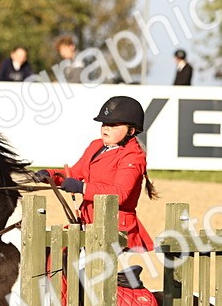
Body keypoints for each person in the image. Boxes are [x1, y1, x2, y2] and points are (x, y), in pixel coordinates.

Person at [35, 95, 157, 251]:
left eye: (113, 125)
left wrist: (83, 188)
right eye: (104, 124)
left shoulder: (134, 155)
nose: (106, 128)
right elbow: (76, 172)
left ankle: (124, 275)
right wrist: (50, 175)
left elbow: (120, 194)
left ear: (131, 130)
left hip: (116, 229)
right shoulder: (96, 145)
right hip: (88, 221)